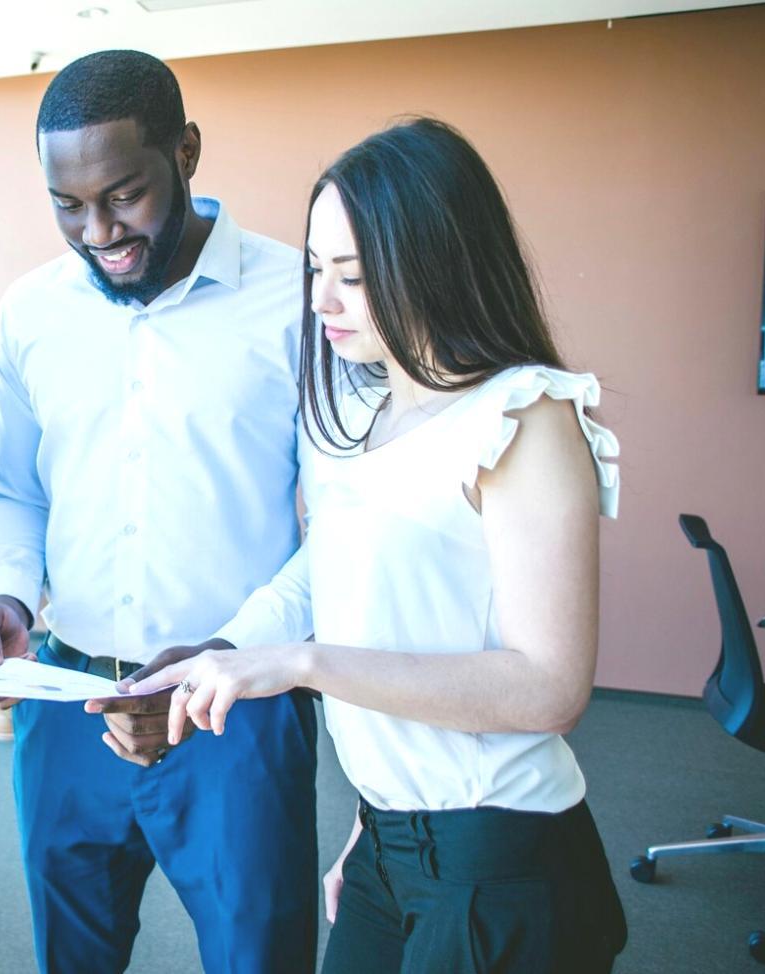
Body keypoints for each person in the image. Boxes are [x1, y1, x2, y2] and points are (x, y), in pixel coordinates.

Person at [132, 117, 630, 972]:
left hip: (495, 853)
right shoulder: (361, 410)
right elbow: (325, 572)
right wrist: (225, 651)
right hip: (389, 840)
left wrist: (303, 664)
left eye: (354, 278)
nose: (321, 301)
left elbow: (549, 689)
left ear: (436, 264)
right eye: (316, 270)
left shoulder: (525, 417)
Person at [0, 50, 319, 973]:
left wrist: (225, 662)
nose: (97, 231)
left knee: (258, 957)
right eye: (67, 205)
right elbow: (10, 490)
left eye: (123, 194)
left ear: (187, 152)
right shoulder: (30, 313)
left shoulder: (303, 302)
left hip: (236, 714)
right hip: (67, 703)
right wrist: (4, 594)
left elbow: (342, 529)